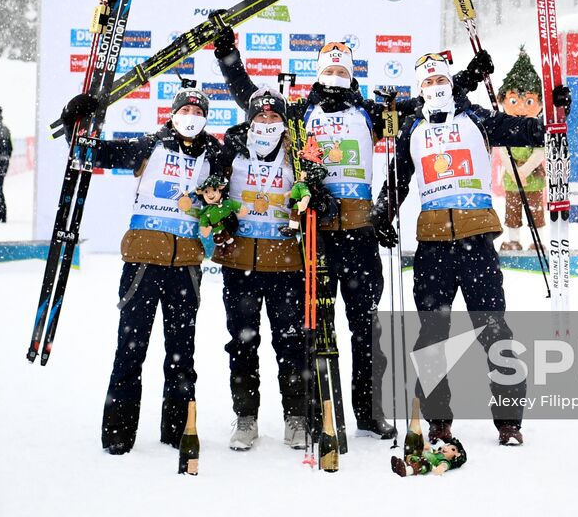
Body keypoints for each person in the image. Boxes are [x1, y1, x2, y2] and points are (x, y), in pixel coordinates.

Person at [214, 30, 493, 439]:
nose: (335, 75)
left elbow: (427, 104)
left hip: (359, 235)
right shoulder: (298, 114)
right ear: (319, 74)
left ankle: (369, 412)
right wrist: (228, 57)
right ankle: (318, 411)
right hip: (318, 234)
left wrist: (465, 79)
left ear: (351, 74)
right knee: (317, 330)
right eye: (328, 69)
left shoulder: (370, 112)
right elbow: (253, 101)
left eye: (341, 69)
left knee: (366, 330)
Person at [372, 51, 558, 447]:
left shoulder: (477, 118)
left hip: (477, 243)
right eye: (427, 83)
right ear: (419, 89)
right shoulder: (411, 130)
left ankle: (509, 421)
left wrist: (554, 116)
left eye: (441, 81)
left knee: (494, 330)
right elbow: (397, 180)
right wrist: (379, 216)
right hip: (433, 245)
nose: (435, 88)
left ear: (451, 85)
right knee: (432, 337)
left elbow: (526, 131)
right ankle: (438, 420)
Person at [58, 85, 227, 455]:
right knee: (130, 351)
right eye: (186, 111)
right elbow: (92, 153)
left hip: (186, 269)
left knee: (182, 355)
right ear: (173, 112)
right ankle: (117, 434)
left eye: (199, 113)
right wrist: (75, 122)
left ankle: (179, 429)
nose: (192, 118)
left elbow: (243, 167)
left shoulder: (214, 154)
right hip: (143, 266)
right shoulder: (150, 145)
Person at [213, 88, 321, 452]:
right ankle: (246, 418)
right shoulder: (231, 151)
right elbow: (210, 191)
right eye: (261, 117)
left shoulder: (298, 156)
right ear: (250, 120)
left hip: (287, 263)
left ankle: (296, 417)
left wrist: (315, 197)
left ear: (284, 123)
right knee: (242, 342)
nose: (267, 123)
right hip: (239, 262)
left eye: (275, 117)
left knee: (290, 343)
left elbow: (315, 194)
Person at [494, 47, 544, 251]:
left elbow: (541, 151)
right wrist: (514, 171)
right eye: (514, 101)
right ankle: (513, 239)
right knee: (512, 209)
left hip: (533, 176)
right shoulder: (504, 124)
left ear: (540, 103)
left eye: (529, 101)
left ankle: (538, 241)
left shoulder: (538, 126)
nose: (522, 107)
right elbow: (503, 151)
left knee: (535, 210)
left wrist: (524, 170)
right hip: (511, 177)